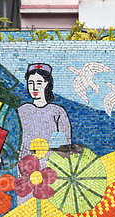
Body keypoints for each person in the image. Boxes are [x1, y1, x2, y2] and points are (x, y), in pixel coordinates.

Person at [17, 63, 72, 204]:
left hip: (51, 170)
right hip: (25, 170)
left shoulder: (57, 112)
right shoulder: (21, 111)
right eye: (30, 83)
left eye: (39, 83)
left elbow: (66, 145)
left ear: (47, 84)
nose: (34, 88)